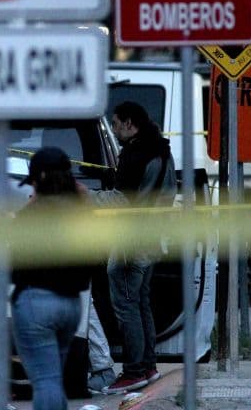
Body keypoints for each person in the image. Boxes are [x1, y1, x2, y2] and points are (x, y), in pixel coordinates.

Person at [11, 146, 95, 410]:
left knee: (45, 381)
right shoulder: (81, 211)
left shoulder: (31, 215)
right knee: (53, 379)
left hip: (36, 304)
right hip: (71, 306)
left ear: (39, 179)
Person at [102, 101, 177, 394]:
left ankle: (133, 370)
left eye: (117, 124)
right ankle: (148, 366)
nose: (115, 130)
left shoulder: (135, 154)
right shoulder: (162, 149)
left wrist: (86, 197)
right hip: (153, 238)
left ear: (129, 123)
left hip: (129, 242)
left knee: (125, 305)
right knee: (141, 301)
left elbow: (120, 200)